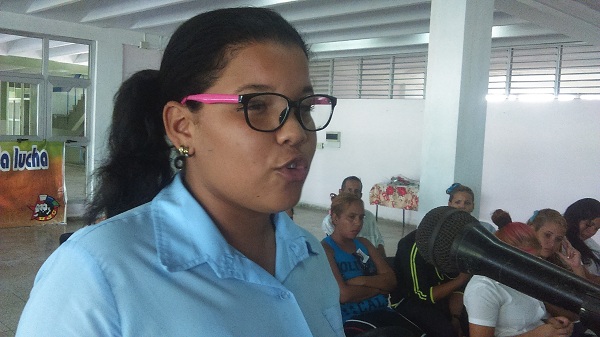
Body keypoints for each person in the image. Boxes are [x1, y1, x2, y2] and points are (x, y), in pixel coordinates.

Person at [16, 7, 344, 336]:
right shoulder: (97, 275)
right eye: (256, 105)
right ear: (182, 127)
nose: (296, 133)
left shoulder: (310, 255)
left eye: (303, 107)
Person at [321, 193, 423, 337]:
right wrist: (378, 289)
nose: (358, 223)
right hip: (352, 318)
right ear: (336, 218)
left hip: (381, 310)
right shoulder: (327, 249)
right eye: (351, 217)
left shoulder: (364, 244)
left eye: (361, 217)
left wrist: (361, 281)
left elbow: (391, 281)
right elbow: (344, 295)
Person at [464, 222, 574, 337]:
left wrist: (551, 323)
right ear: (507, 258)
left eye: (537, 259)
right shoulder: (483, 289)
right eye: (527, 262)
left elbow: (530, 318)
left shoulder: (523, 278)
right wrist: (537, 334)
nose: (534, 266)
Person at [390, 210, 471, 337]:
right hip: (409, 300)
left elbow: (459, 288)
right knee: (446, 332)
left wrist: (456, 318)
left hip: (444, 296)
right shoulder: (411, 246)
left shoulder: (458, 243)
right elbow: (422, 295)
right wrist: (460, 280)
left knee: (470, 324)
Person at [322, 176, 386, 257]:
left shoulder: (369, 216)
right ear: (341, 192)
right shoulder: (329, 221)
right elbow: (340, 247)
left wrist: (383, 261)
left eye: (357, 191)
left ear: (361, 195)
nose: (353, 194)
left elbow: (379, 242)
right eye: (349, 190)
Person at [564, 198, 600, 279]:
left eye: (596, 229)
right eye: (588, 225)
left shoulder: (591, 245)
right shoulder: (560, 241)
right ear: (575, 217)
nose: (591, 232)